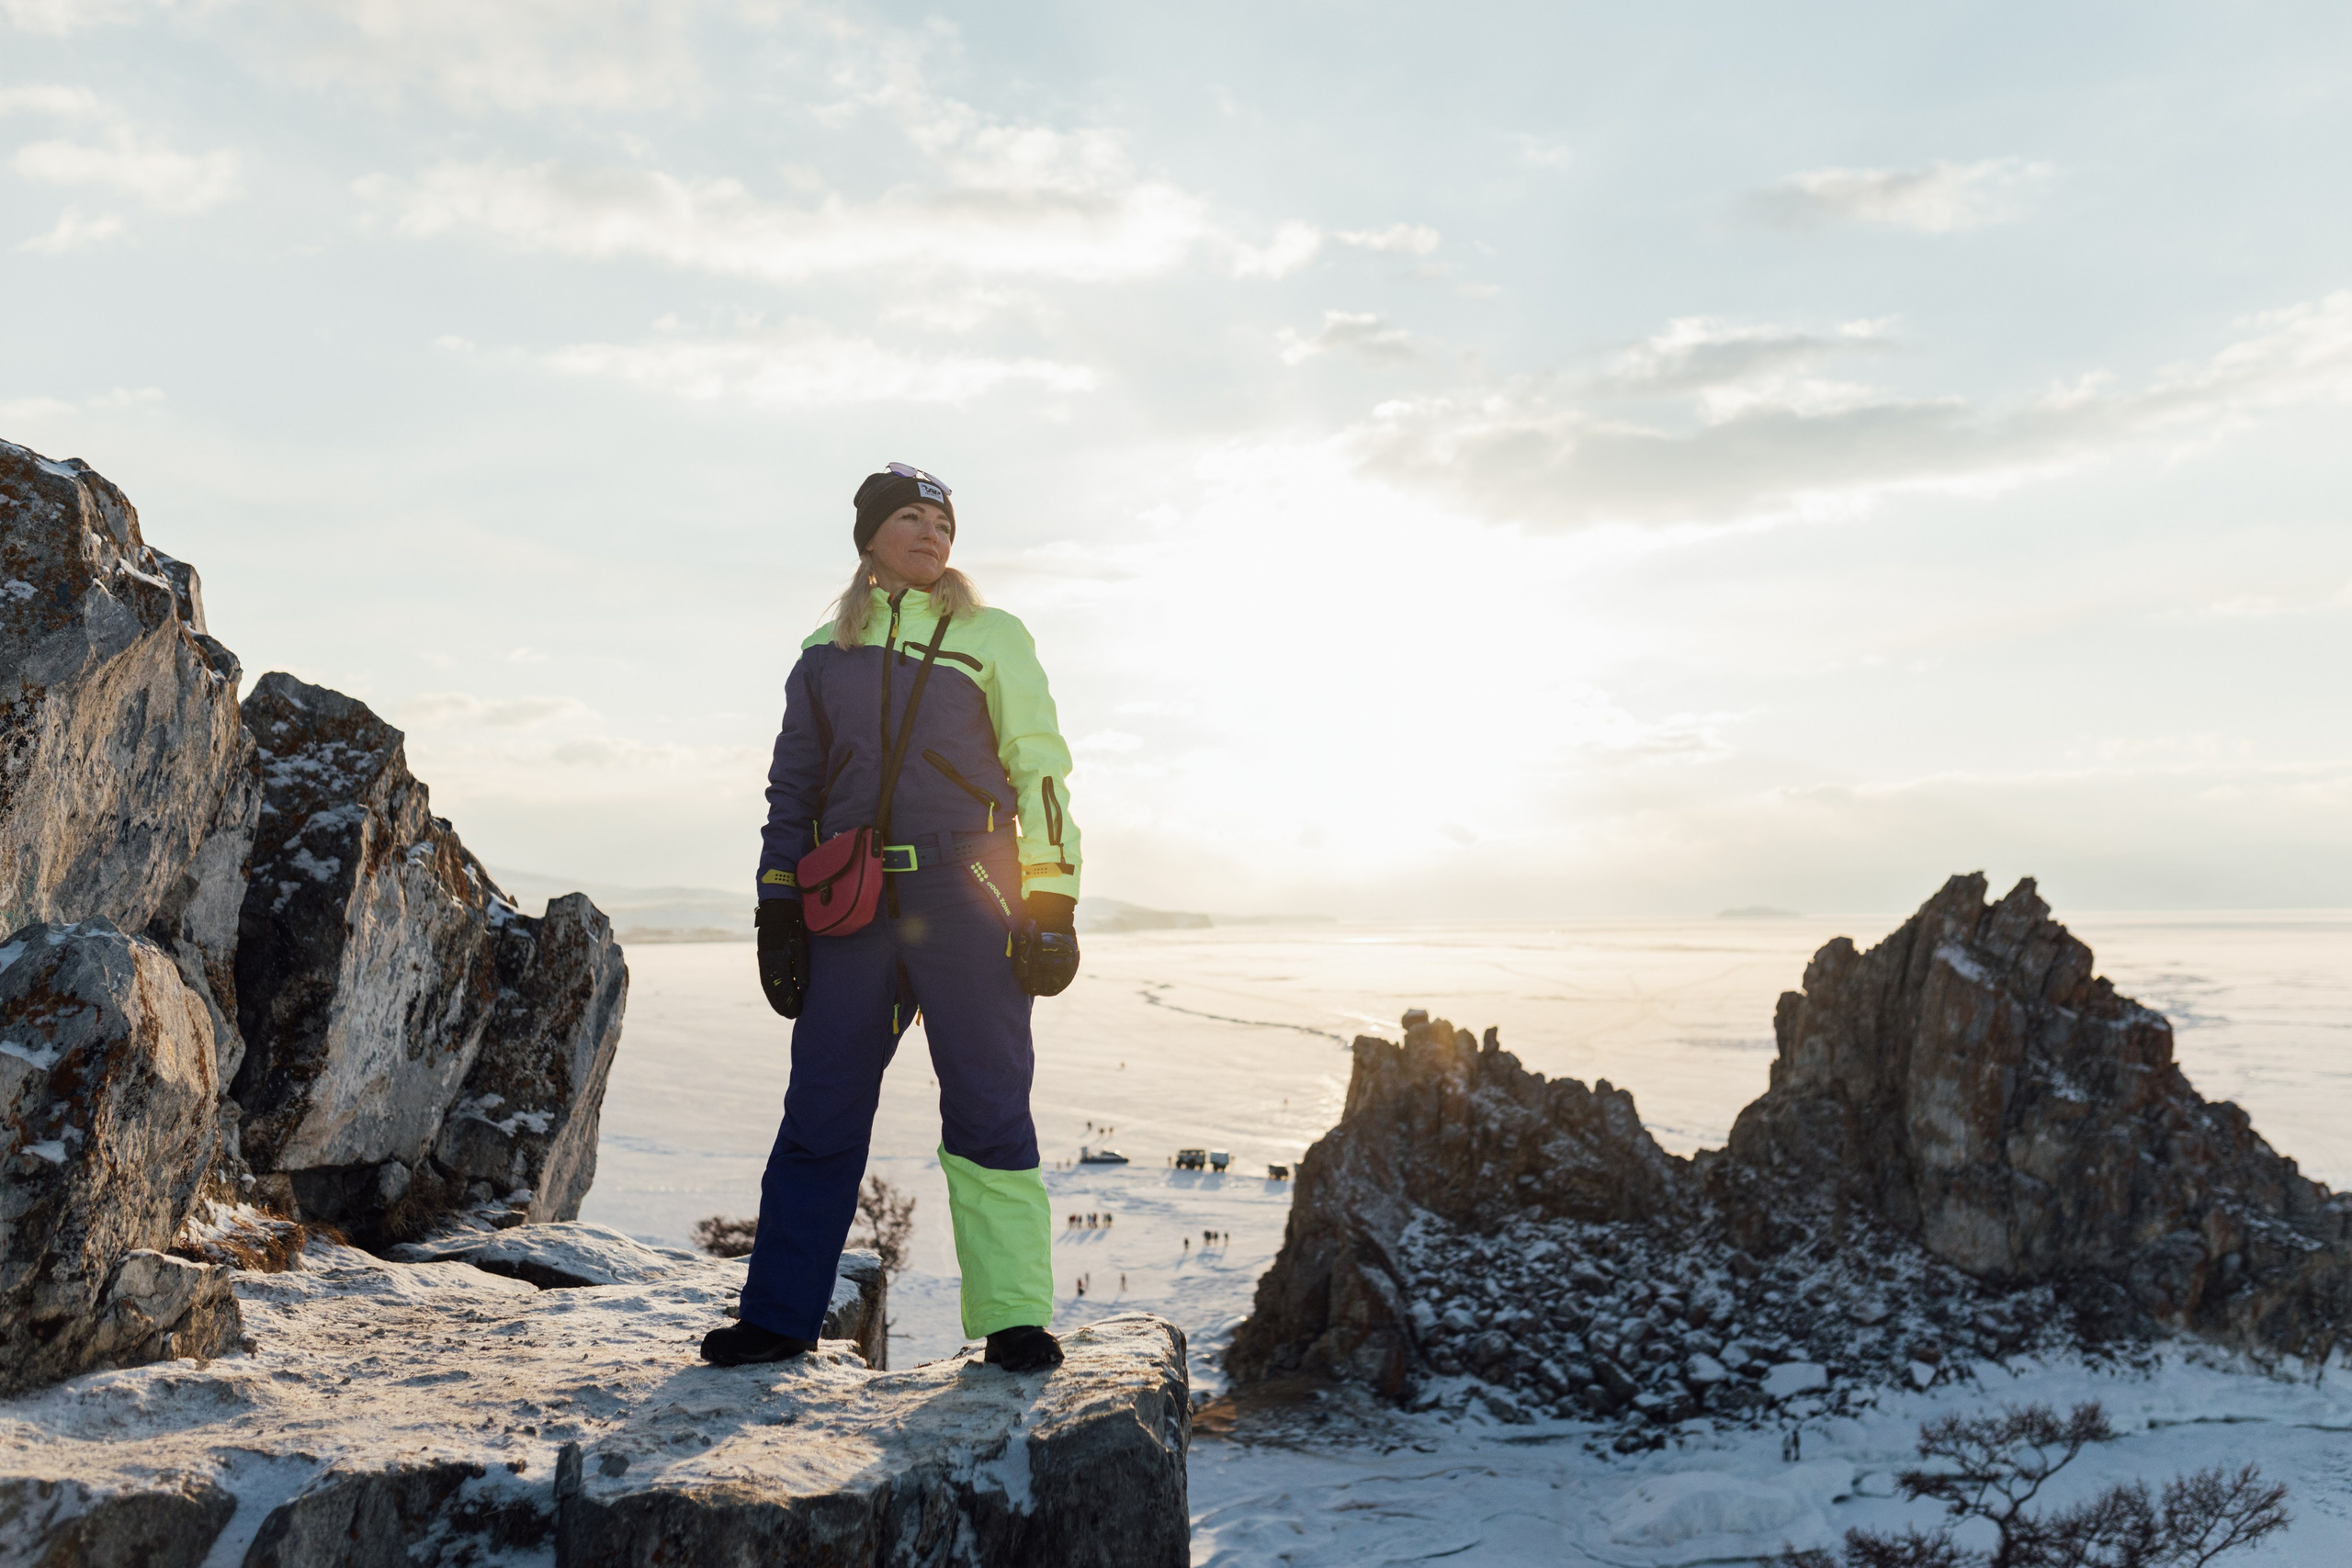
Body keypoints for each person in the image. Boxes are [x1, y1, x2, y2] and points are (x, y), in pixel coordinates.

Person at [700, 463, 1082, 1375]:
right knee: (822, 1107)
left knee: (989, 1105)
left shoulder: (992, 636)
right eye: (909, 517)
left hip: (970, 896)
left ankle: (1015, 1318)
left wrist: (1053, 896)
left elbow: (1039, 769)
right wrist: (776, 907)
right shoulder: (823, 652)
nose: (931, 533)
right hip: (853, 907)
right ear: (870, 536)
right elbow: (792, 790)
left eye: (943, 522)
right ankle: (781, 1313)